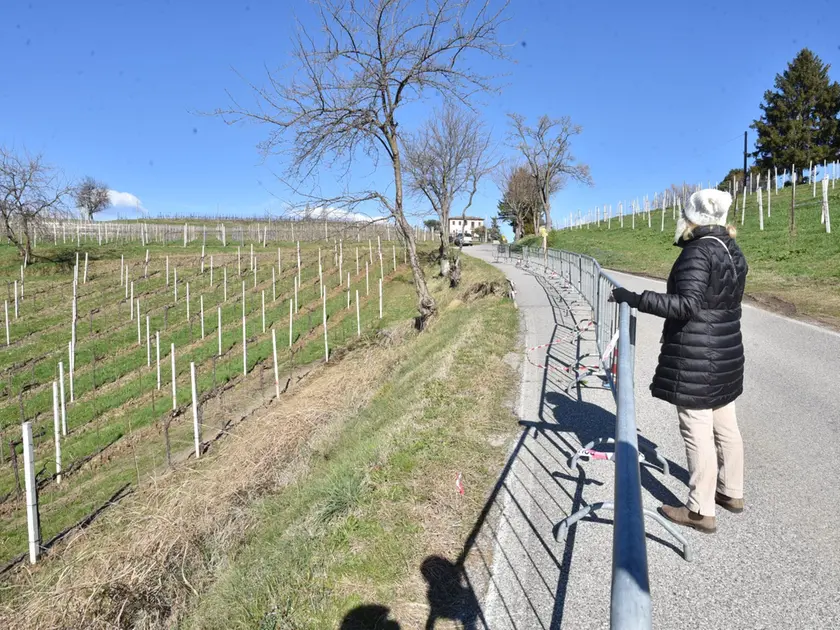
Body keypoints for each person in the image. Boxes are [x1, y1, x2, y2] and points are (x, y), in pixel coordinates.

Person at [611, 189, 748, 534]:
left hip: (698, 356)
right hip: (726, 350)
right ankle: (731, 492)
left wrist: (636, 298)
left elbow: (686, 305)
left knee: (696, 427)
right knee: (725, 424)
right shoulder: (731, 249)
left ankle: (700, 510)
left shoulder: (697, 251)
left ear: (692, 218)